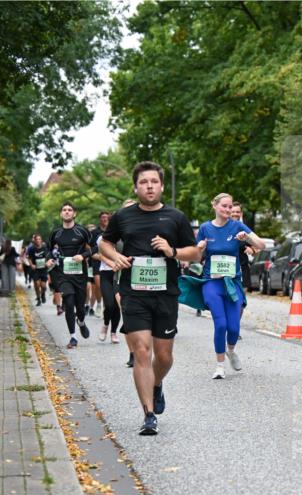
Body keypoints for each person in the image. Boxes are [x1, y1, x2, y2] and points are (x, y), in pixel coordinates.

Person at [100, 161, 200, 436]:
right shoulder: (123, 216)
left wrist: (171, 251)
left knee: (164, 357)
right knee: (142, 351)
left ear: (162, 186)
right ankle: (148, 414)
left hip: (165, 294)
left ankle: (156, 384)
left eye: (154, 181)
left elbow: (195, 252)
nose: (149, 186)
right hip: (134, 293)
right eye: (144, 182)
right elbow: (104, 242)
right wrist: (114, 256)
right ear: (136, 186)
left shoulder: (175, 217)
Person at [189, 193, 265, 379]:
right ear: (214, 206)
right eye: (224, 206)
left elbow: (261, 245)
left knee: (234, 328)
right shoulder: (206, 228)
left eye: (230, 207)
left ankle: (231, 351)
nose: (228, 210)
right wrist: (199, 248)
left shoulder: (237, 226)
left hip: (232, 283)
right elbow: (195, 258)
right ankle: (220, 366)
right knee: (220, 324)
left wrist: (247, 237)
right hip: (212, 283)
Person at [47, 202, 92, 348]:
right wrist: (49, 258)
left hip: (79, 274)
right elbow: (48, 249)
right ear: (61, 214)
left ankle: (81, 321)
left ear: (74, 214)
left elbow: (96, 247)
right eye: (64, 210)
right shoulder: (56, 233)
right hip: (63, 273)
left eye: (69, 210)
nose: (67, 212)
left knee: (79, 307)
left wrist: (84, 256)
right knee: (69, 302)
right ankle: (73, 337)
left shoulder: (82, 231)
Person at [25, 234, 49, 305]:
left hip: (43, 269)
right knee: (37, 284)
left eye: (39, 239)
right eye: (36, 239)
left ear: (41, 240)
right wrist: (31, 265)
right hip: (35, 269)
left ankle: (43, 294)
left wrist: (46, 262)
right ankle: (38, 299)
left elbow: (48, 256)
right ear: (34, 240)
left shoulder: (45, 247)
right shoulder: (31, 249)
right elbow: (29, 258)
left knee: (43, 286)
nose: (38, 240)